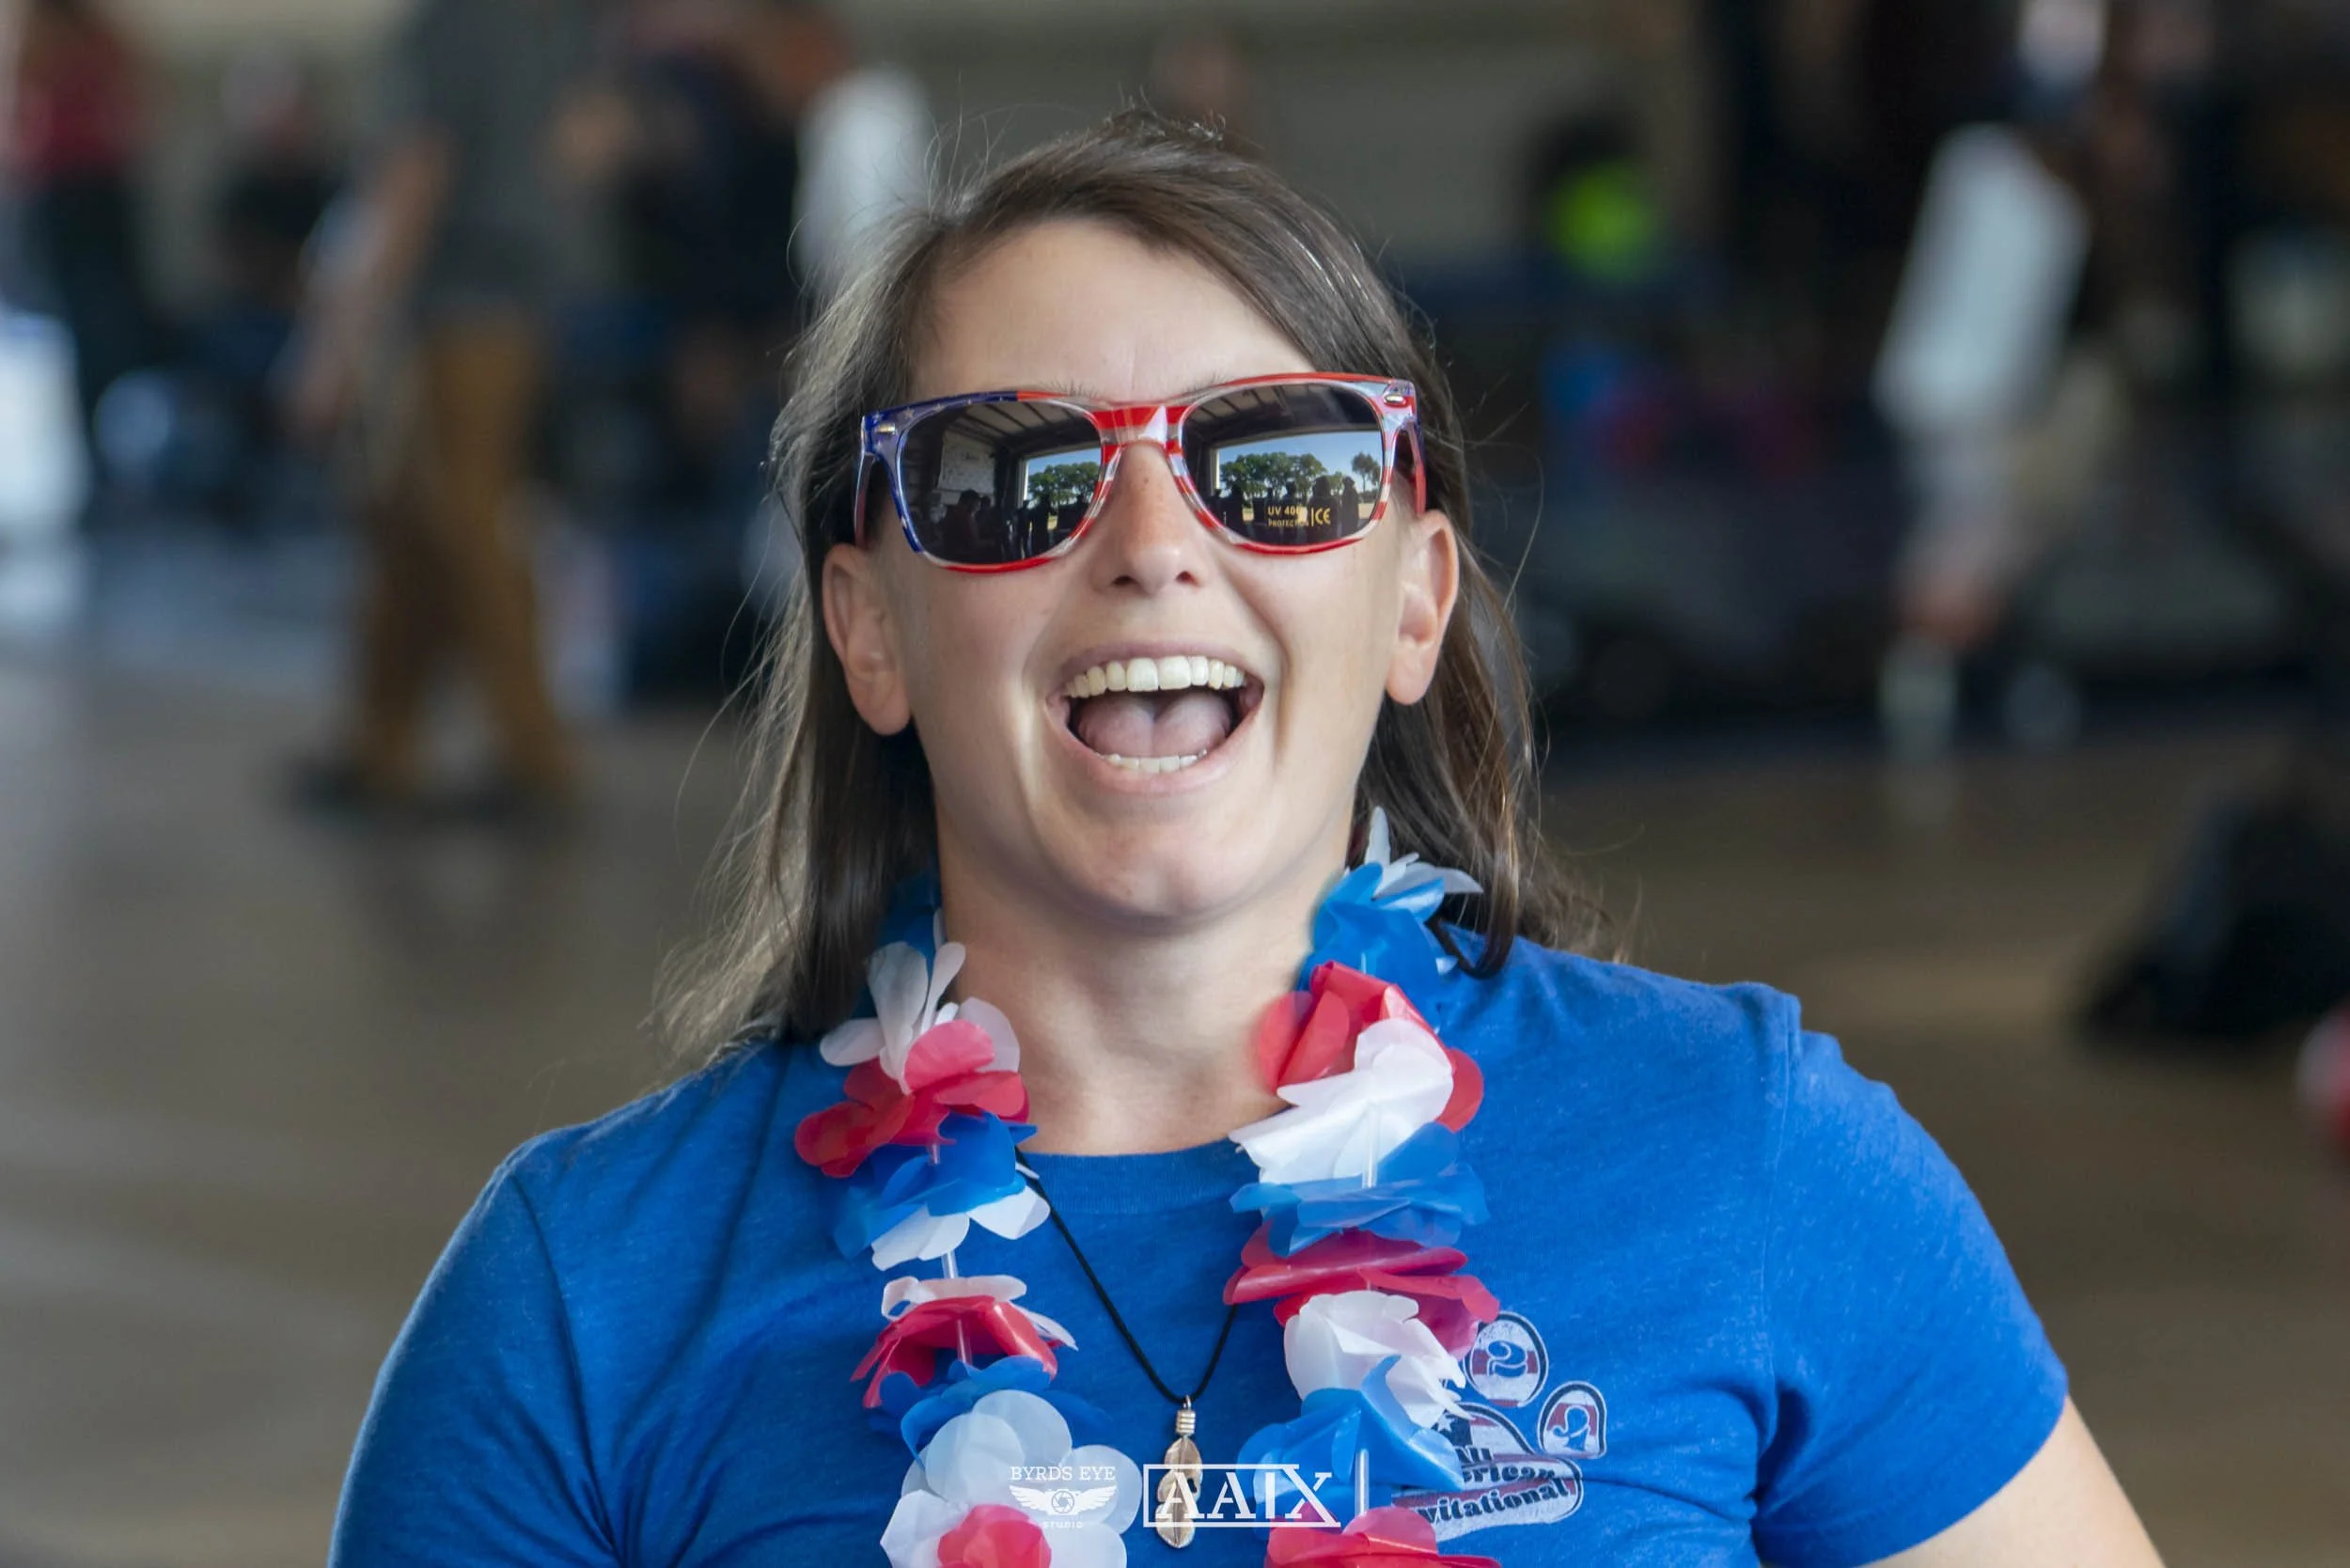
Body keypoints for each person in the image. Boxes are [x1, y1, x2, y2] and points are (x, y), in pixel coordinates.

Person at [328, 114, 2165, 1566]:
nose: (1149, 544)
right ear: (868, 624)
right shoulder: (583, 1302)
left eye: (1274, 462)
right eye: (1016, 475)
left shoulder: (1755, 1164)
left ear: (1414, 597)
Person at [282, 0, 608, 818]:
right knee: (405, 518)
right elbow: (590, 138)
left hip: (455, 308)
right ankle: (380, 742)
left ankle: (533, 754)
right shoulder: (555, 23)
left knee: (466, 522)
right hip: (518, 300)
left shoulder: (449, 26)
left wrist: (335, 345)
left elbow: (413, 174)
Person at [1, 0, 162, 498]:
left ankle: (121, 457)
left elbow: (138, 99)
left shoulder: (101, 30)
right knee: (61, 325)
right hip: (52, 191)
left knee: (114, 324)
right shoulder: (34, 27)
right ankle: (79, 465)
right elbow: (15, 104)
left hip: (100, 187)